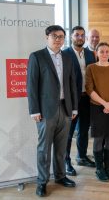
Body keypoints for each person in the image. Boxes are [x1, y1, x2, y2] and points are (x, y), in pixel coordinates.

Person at [27, 25, 77, 197]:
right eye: (55, 36)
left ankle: (61, 176)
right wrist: (34, 110)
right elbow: (31, 85)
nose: (58, 39)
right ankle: (42, 182)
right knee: (44, 149)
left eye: (61, 36)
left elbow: (72, 84)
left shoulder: (68, 58)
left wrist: (74, 107)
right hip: (45, 111)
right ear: (47, 37)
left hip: (65, 109)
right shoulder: (37, 57)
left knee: (61, 148)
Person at [85, 42, 109, 182]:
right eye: (101, 51)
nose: (105, 54)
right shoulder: (91, 68)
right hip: (97, 107)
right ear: (96, 53)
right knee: (99, 138)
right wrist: (104, 104)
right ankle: (99, 169)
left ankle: (108, 168)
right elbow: (89, 89)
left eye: (107, 51)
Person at [63, 26, 96, 177]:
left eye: (82, 35)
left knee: (84, 130)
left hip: (87, 98)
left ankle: (81, 157)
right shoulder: (64, 54)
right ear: (71, 37)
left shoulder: (90, 54)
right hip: (71, 100)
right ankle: (66, 161)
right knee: (69, 133)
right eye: (77, 35)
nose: (80, 37)